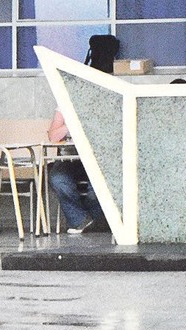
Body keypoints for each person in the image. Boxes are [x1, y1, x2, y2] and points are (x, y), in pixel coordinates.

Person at [46, 35, 117, 234]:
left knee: (100, 188)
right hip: (70, 158)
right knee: (58, 179)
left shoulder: (108, 102)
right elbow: (53, 137)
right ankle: (82, 220)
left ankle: (94, 221)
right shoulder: (66, 103)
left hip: (99, 158)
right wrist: (72, 122)